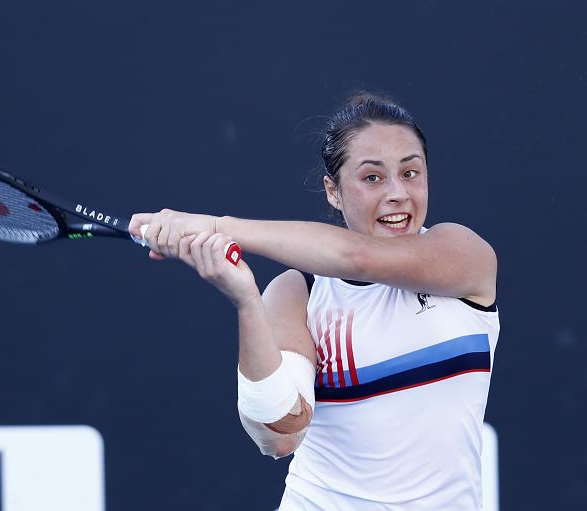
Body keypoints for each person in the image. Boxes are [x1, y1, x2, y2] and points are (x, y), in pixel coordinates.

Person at [129, 93, 499, 510]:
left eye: (411, 173)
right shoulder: (298, 292)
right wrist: (247, 301)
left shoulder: (464, 256)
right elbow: (279, 434)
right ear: (333, 192)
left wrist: (216, 225)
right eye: (372, 178)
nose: (398, 193)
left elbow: (356, 257)